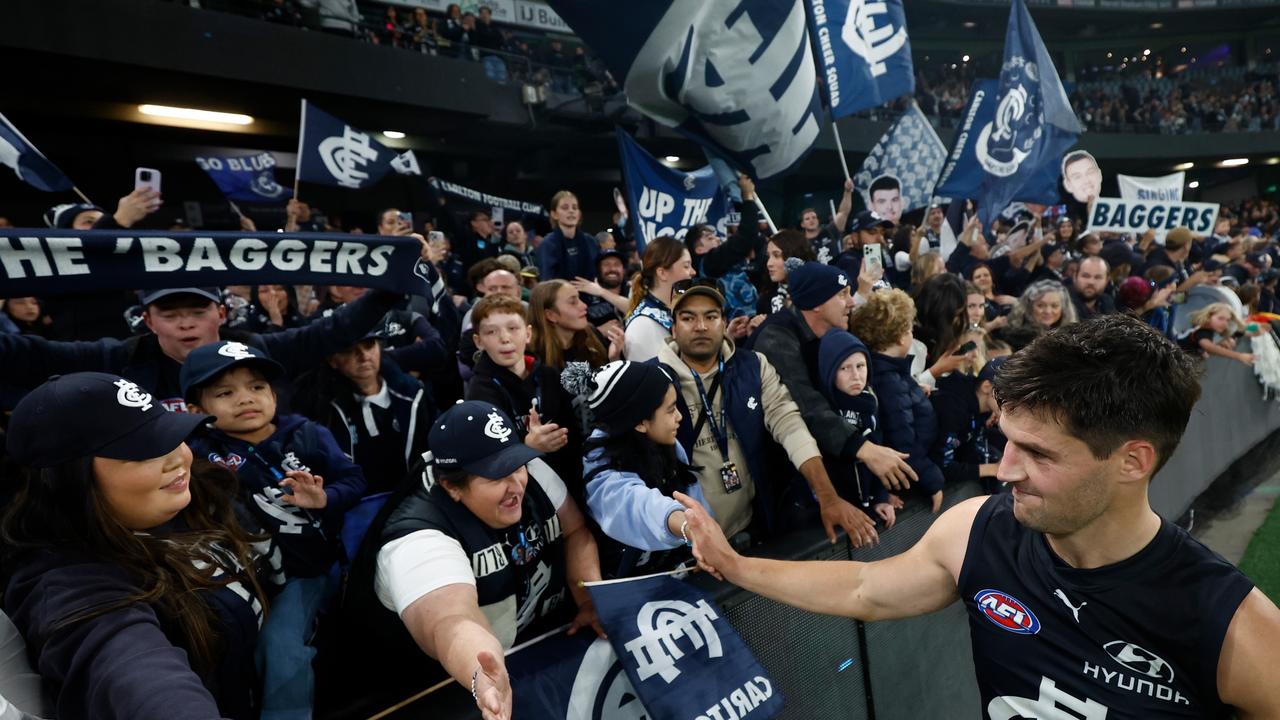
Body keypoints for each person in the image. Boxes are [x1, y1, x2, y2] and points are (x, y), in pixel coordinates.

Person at [678, 314, 1280, 719]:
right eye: (1007, 439)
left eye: (1039, 452)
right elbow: (866, 585)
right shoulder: (981, 527)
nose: (1007, 468)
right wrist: (737, 565)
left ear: (1132, 461)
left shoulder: (1230, 625)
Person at [2, 373, 272, 719]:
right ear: (71, 480)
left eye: (171, 435)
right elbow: (133, 670)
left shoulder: (185, 496)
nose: (178, 458)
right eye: (143, 451)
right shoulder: (69, 585)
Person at [357, 401, 603, 719]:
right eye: (495, 475)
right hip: (433, 692)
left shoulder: (533, 474)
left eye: (517, 465)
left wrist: (590, 597)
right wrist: (481, 675)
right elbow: (451, 623)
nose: (516, 485)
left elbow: (575, 532)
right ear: (451, 487)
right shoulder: (415, 539)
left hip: (539, 649)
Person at [180, 341, 365, 720]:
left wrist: (325, 498)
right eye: (225, 393)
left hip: (304, 572)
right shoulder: (195, 453)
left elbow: (355, 479)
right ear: (195, 410)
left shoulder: (307, 434)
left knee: (280, 647)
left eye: (257, 387)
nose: (245, 399)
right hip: (236, 576)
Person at [656, 286, 877, 546]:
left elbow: (790, 424)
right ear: (673, 327)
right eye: (688, 318)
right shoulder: (652, 381)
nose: (701, 326)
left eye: (711, 316)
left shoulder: (753, 366)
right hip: (685, 543)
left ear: (724, 322)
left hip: (750, 528)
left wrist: (827, 496)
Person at [0, 285, 400, 412]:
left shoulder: (253, 349)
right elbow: (33, 354)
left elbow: (327, 334)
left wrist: (385, 293)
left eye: (197, 311)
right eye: (170, 315)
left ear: (221, 313)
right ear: (148, 320)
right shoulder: (120, 358)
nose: (186, 323)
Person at [752, 262, 919, 503]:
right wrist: (865, 450)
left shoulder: (827, 335)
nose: (852, 302)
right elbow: (808, 407)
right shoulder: (776, 339)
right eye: (842, 295)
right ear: (816, 303)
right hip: (780, 486)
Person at [562, 360, 712, 577]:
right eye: (670, 410)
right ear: (640, 422)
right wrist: (691, 528)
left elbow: (692, 494)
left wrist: (704, 539)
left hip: (678, 578)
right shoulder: (600, 470)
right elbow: (640, 505)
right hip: (628, 591)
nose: (679, 417)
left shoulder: (666, 443)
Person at [465, 295, 582, 497]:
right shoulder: (479, 392)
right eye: (491, 331)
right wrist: (528, 446)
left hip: (567, 479)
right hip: (521, 490)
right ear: (479, 341)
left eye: (513, 328)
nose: (505, 338)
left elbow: (572, 430)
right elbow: (488, 455)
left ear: (528, 334)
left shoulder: (549, 375)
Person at [291, 333, 435, 496]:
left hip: (415, 499)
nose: (364, 356)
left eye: (369, 346)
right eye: (350, 350)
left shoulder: (413, 395)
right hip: (356, 509)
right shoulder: (322, 411)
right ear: (333, 361)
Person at [849, 289, 946, 513]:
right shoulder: (889, 382)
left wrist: (913, 391)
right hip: (910, 486)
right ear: (902, 336)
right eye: (910, 329)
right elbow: (903, 445)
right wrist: (933, 482)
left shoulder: (889, 374)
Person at [817, 330, 896, 528]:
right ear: (829, 372)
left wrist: (881, 497)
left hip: (867, 507)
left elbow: (879, 452)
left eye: (860, 366)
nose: (855, 376)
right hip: (839, 511)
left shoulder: (871, 403)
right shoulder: (824, 413)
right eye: (844, 368)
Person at [623, 236, 696, 362]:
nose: (693, 272)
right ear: (662, 273)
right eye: (686, 266)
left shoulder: (674, 310)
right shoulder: (642, 327)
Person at [996, 280, 1079, 352]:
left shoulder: (1071, 337)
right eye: (1040, 305)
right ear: (1029, 307)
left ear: (1063, 309)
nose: (1048, 311)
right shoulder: (1014, 337)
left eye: (1054, 306)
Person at [539, 191, 599, 281]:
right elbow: (547, 279)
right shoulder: (548, 243)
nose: (571, 211)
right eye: (565, 208)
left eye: (574, 208)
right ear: (554, 214)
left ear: (579, 214)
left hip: (590, 293)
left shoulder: (590, 240)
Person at [1179, 303, 1255, 366]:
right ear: (1209, 316)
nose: (1225, 323)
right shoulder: (1202, 332)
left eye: (1227, 320)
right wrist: (1239, 356)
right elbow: (1210, 347)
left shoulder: (1208, 328)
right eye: (1220, 318)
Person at [799, 179, 854, 264]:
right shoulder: (800, 242)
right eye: (807, 219)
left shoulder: (829, 231)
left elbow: (843, 212)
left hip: (837, 273)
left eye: (814, 217)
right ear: (802, 224)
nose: (811, 220)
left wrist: (847, 192)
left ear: (818, 220)